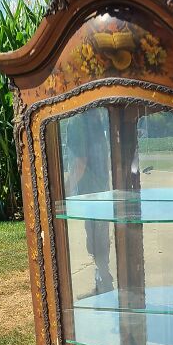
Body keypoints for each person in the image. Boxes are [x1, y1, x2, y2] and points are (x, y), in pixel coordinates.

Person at [64, 108, 114, 296]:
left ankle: (105, 285)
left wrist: (65, 189)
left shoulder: (77, 119)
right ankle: (103, 283)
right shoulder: (95, 115)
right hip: (100, 190)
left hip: (89, 193)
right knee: (98, 238)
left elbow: (79, 162)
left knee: (95, 240)